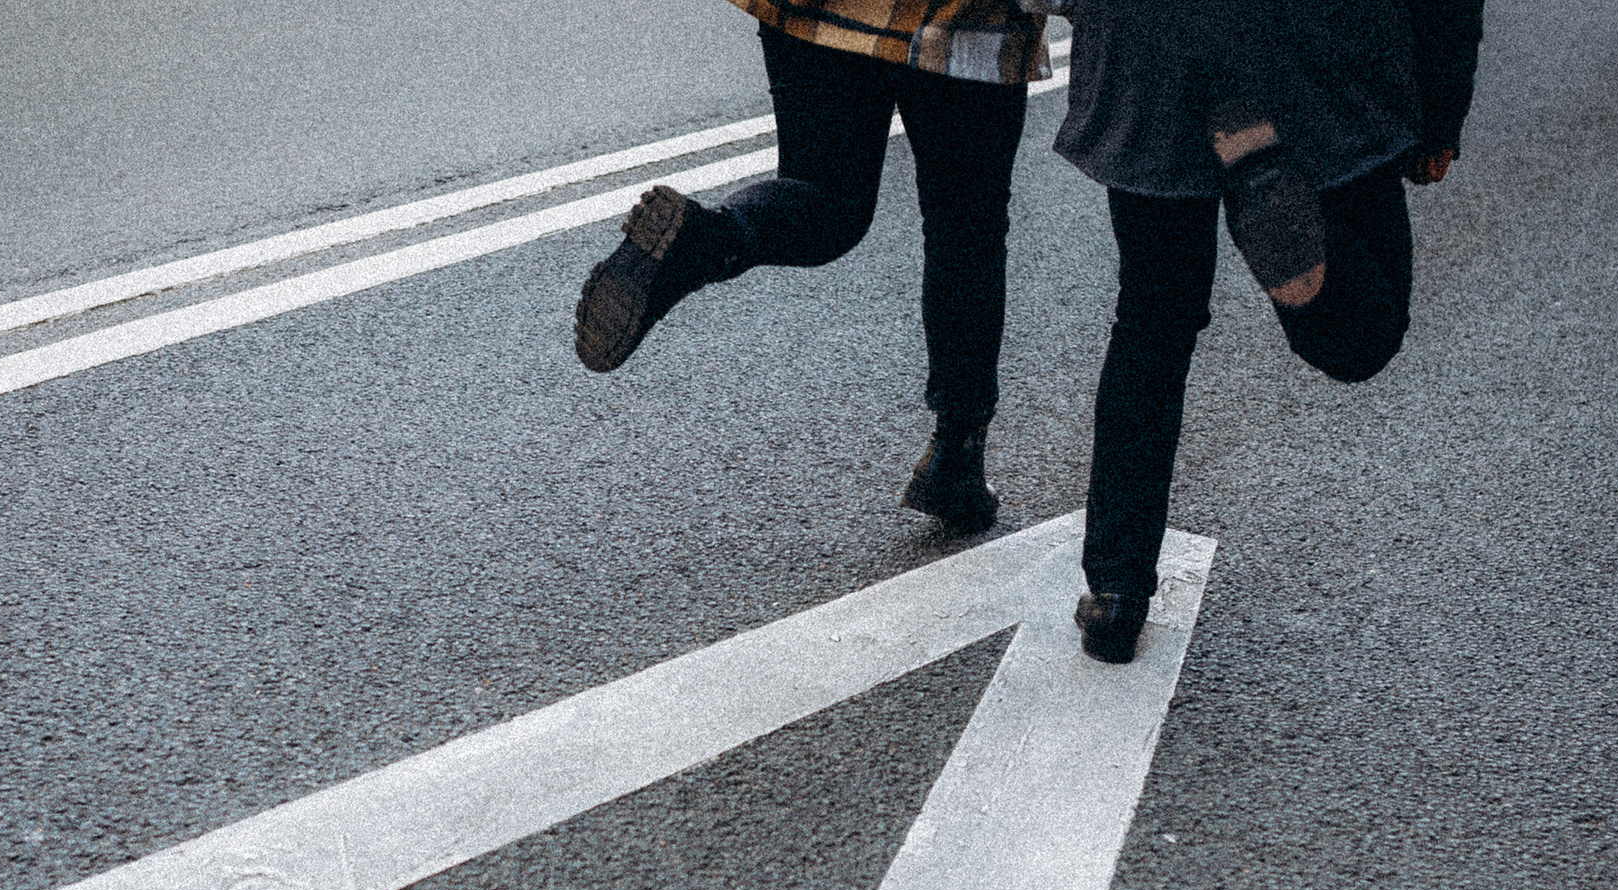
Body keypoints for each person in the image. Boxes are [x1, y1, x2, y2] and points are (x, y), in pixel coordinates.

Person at [1056, 0, 1488, 662]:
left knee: (1152, 316)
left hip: (1147, 45)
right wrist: (1439, 110)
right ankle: (1263, 172)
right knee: (1362, 335)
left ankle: (1116, 592)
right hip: (1311, 49)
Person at [572, 0, 1054, 534]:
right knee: (966, 225)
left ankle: (712, 236)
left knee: (824, 193)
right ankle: (956, 457)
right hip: (961, 20)